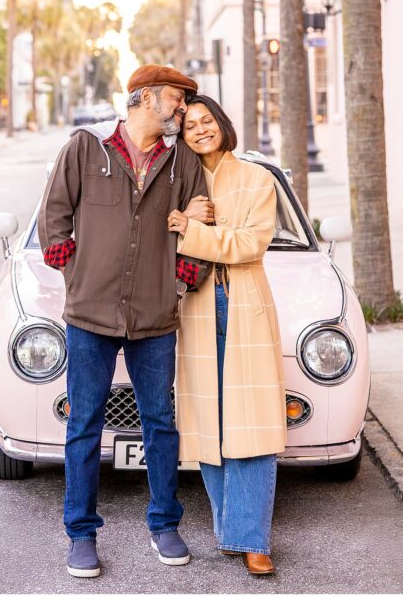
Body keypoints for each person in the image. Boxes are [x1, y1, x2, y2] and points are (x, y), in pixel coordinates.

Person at [38, 65, 211, 578]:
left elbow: (202, 225)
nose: (181, 110)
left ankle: (164, 524)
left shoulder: (183, 163)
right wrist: (77, 274)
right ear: (144, 98)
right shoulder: (86, 149)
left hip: (155, 316)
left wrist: (180, 281)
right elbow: (54, 217)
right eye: (176, 101)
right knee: (84, 424)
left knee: (160, 422)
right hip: (89, 315)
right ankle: (81, 533)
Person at [168, 94, 286, 577]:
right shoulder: (179, 184)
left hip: (243, 304)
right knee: (210, 421)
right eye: (190, 124)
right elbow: (161, 239)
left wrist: (190, 230)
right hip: (195, 306)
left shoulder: (257, 178)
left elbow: (250, 243)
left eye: (206, 120)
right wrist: (185, 219)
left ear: (222, 123)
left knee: (252, 422)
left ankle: (254, 540)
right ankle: (229, 528)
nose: (199, 129)